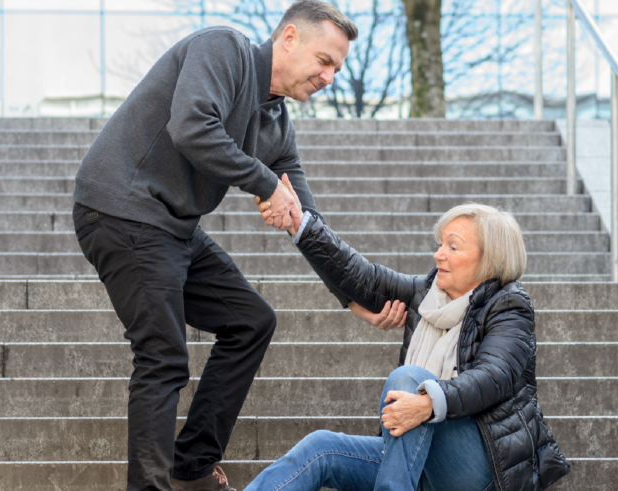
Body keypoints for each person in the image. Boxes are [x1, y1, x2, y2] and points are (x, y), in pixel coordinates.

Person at [70, 2, 358, 490]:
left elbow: (309, 222)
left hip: (174, 227)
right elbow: (192, 126)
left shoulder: (275, 125)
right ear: (288, 38)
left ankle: (191, 466)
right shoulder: (223, 49)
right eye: (324, 61)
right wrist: (265, 183)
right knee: (163, 354)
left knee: (251, 321)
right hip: (122, 209)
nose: (329, 76)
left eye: (337, 68)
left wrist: (355, 295)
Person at [248, 188, 571, 491]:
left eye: (453, 246)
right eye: (441, 244)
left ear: (490, 260)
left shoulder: (508, 305)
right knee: (320, 448)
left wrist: (429, 403)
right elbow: (360, 276)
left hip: (484, 467)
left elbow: (494, 377)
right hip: (418, 459)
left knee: (409, 379)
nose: (438, 254)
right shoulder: (426, 295)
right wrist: (300, 224)